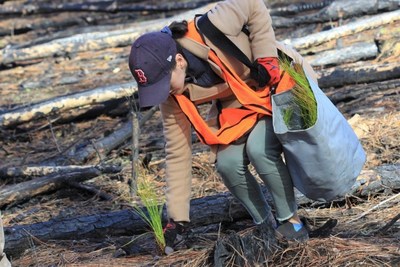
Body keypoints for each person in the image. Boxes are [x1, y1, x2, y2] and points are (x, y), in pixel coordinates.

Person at [128, 0, 318, 254]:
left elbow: (253, 5)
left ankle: (291, 223)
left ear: (180, 61)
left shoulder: (213, 25)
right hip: (239, 107)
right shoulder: (172, 97)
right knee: (227, 165)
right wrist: (177, 220)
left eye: (163, 84)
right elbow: (177, 153)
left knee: (260, 150)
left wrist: (265, 57)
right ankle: (266, 226)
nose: (163, 93)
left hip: (278, 87)